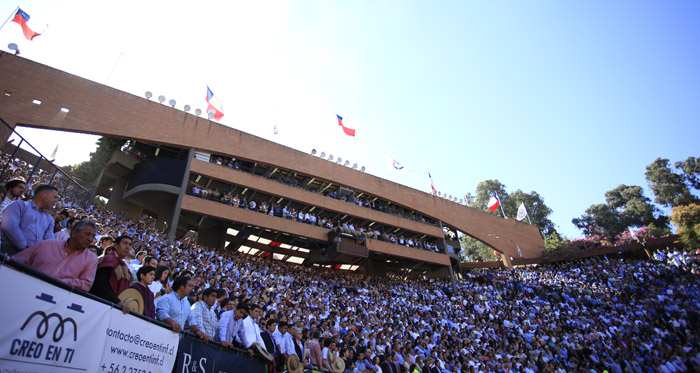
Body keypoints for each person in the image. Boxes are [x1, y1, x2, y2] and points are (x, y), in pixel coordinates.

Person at [13, 220, 98, 291]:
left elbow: (86, 284)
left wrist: (59, 281)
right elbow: (16, 262)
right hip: (26, 288)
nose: (90, 239)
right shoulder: (47, 245)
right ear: (74, 233)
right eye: (87, 234)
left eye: (93, 236)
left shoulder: (91, 259)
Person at [1, 184, 59, 256]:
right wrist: (25, 247)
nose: (56, 201)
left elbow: (49, 241)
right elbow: (9, 226)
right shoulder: (20, 205)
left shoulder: (49, 219)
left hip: (31, 258)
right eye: (54, 197)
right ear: (43, 194)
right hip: (9, 252)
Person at [90, 235, 134, 313]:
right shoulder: (109, 260)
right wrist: (118, 302)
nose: (128, 247)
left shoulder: (123, 265)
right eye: (125, 243)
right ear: (115, 245)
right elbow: (100, 286)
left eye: (130, 244)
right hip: (100, 306)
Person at [156, 275, 208, 341]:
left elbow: (191, 319)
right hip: (162, 338)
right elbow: (162, 314)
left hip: (177, 339)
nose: (191, 288)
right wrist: (173, 323)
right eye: (189, 286)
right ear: (182, 287)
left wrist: (197, 331)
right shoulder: (166, 299)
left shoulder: (186, 303)